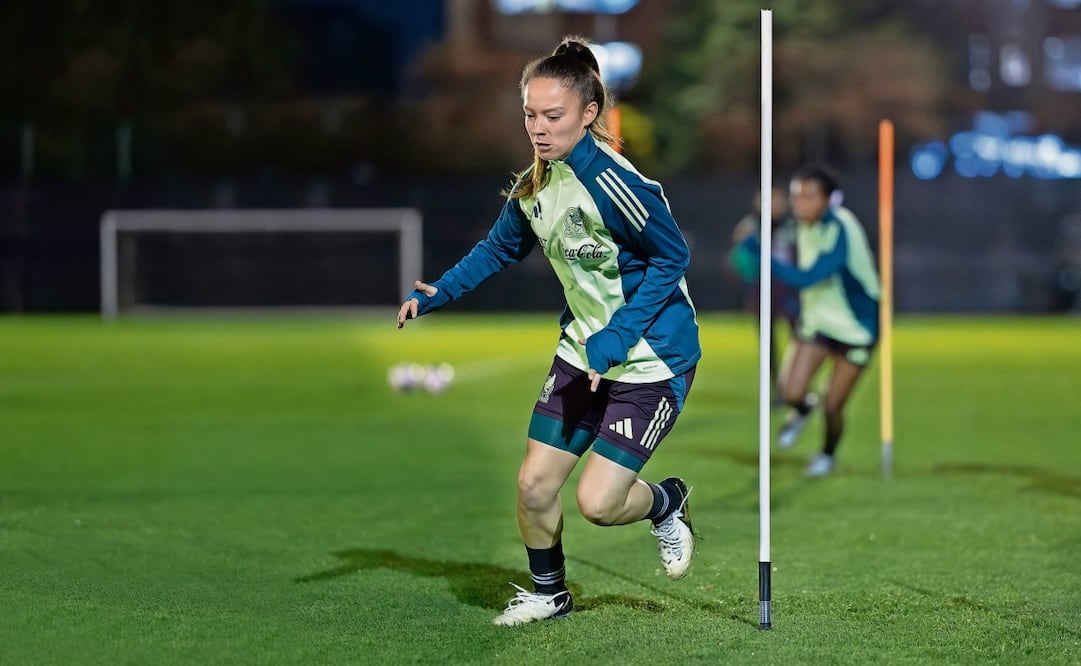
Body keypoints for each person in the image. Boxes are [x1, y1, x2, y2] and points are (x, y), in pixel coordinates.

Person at [396, 36, 701, 626]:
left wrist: (616, 336)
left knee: (599, 504)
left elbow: (672, 257)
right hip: (583, 351)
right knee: (534, 485)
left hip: (651, 358)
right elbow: (498, 248)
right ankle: (548, 593)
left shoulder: (618, 184)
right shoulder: (534, 184)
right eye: (530, 115)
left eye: (552, 116)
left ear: (589, 114)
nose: (538, 127)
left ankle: (666, 501)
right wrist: (441, 291)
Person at [743, 164, 880, 477]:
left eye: (809, 197)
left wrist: (758, 251)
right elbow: (771, 218)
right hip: (818, 323)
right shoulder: (801, 223)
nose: (800, 204)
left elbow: (808, 278)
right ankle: (803, 409)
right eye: (796, 197)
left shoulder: (841, 227)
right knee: (790, 393)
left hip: (857, 329)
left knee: (833, 406)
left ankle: (827, 455)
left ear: (829, 199)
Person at [726, 185, 800, 404]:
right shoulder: (750, 226)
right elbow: (738, 257)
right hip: (762, 290)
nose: (773, 205)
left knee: (801, 341)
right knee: (769, 345)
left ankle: (797, 385)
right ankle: (777, 389)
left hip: (790, 290)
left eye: (776, 200)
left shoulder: (793, 225)